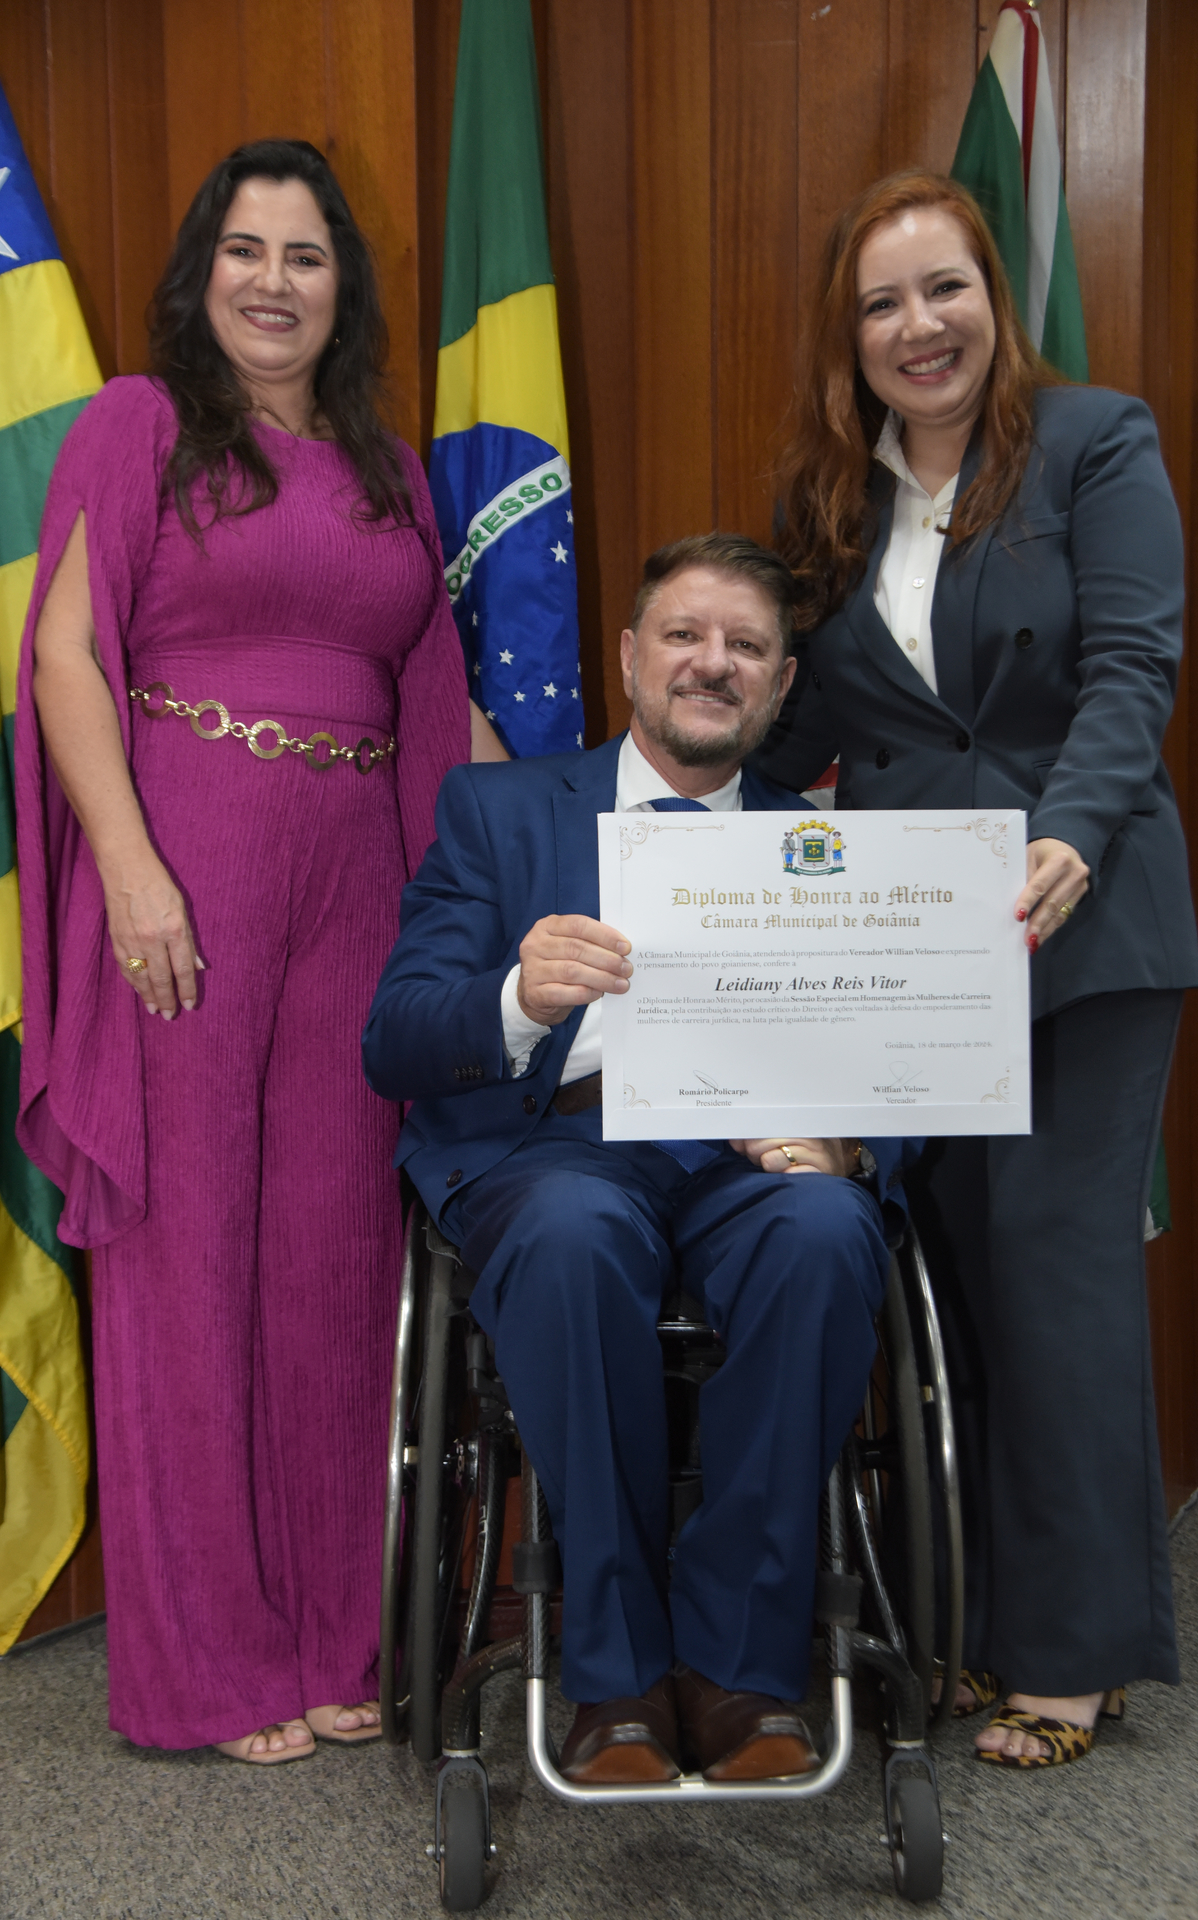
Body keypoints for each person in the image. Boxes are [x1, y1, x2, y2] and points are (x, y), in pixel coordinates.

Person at [16, 139, 502, 1763]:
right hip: (189, 869)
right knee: (188, 1261)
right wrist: (132, 870)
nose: (274, 281)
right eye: (245, 249)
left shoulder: (388, 466)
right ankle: (208, 1666)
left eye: (305, 254)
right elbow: (66, 658)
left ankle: (337, 1634)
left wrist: (606, 826)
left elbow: (438, 703)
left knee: (334, 1265)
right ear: (201, 271)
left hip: (360, 883)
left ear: (341, 286)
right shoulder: (138, 424)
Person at [755, 170, 1198, 1768]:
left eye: (941, 287)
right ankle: (971, 1620)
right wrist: (638, 798)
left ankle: (1071, 1657)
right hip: (914, 945)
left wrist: (1069, 831)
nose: (916, 325)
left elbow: (1132, 665)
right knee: (945, 1278)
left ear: (990, 300)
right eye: (880, 303)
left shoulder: (1093, 444)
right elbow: (801, 725)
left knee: (1053, 1269)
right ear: (849, 336)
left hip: (1082, 921)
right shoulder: (832, 502)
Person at [363, 534, 892, 1783]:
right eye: (684, 635)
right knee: (570, 1232)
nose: (713, 663)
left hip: (748, 1161)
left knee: (828, 1232)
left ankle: (739, 1666)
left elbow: (902, 1052)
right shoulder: (495, 811)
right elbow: (395, 1039)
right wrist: (517, 996)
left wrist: (851, 1140)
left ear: (779, 683)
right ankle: (613, 1674)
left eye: (746, 647)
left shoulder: (825, 845)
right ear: (629, 656)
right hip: (555, 1148)